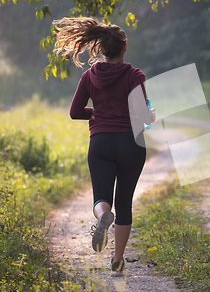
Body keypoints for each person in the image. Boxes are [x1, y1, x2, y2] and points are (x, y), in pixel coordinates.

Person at [53, 17, 155, 274]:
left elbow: (75, 112)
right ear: (124, 48)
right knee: (125, 202)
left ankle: (102, 217)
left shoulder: (89, 76)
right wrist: (149, 116)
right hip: (131, 142)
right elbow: (141, 115)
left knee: (101, 197)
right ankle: (118, 260)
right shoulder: (135, 75)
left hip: (100, 142)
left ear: (99, 49)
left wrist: (98, 113)